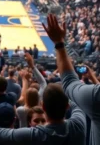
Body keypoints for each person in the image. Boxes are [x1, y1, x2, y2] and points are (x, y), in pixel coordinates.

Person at [42, 14, 100, 145]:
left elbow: (69, 82)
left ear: (43, 107)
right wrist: (93, 78)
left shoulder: (95, 97)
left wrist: (59, 43)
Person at [0, 83, 86, 145]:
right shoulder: (79, 124)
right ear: (67, 106)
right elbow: (78, 103)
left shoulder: (33, 135)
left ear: (43, 106)